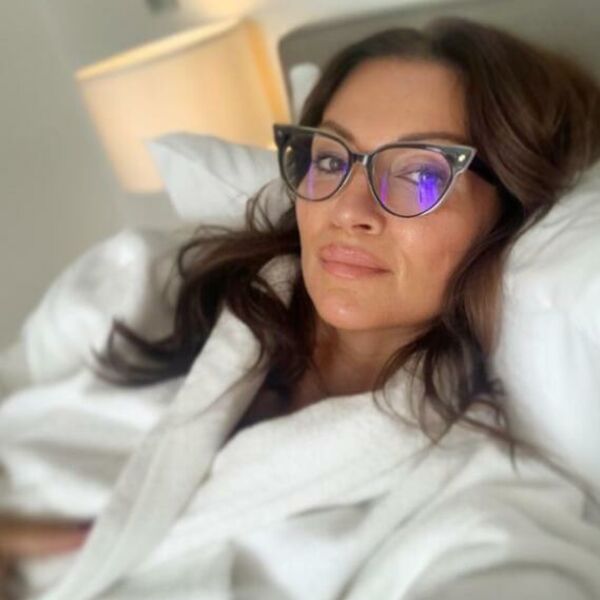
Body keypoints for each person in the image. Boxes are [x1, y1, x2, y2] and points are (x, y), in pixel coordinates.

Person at [1, 16, 600, 600]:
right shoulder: (143, 283)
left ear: (510, 214)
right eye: (332, 160)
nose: (349, 210)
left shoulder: (483, 501)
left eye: (420, 174)